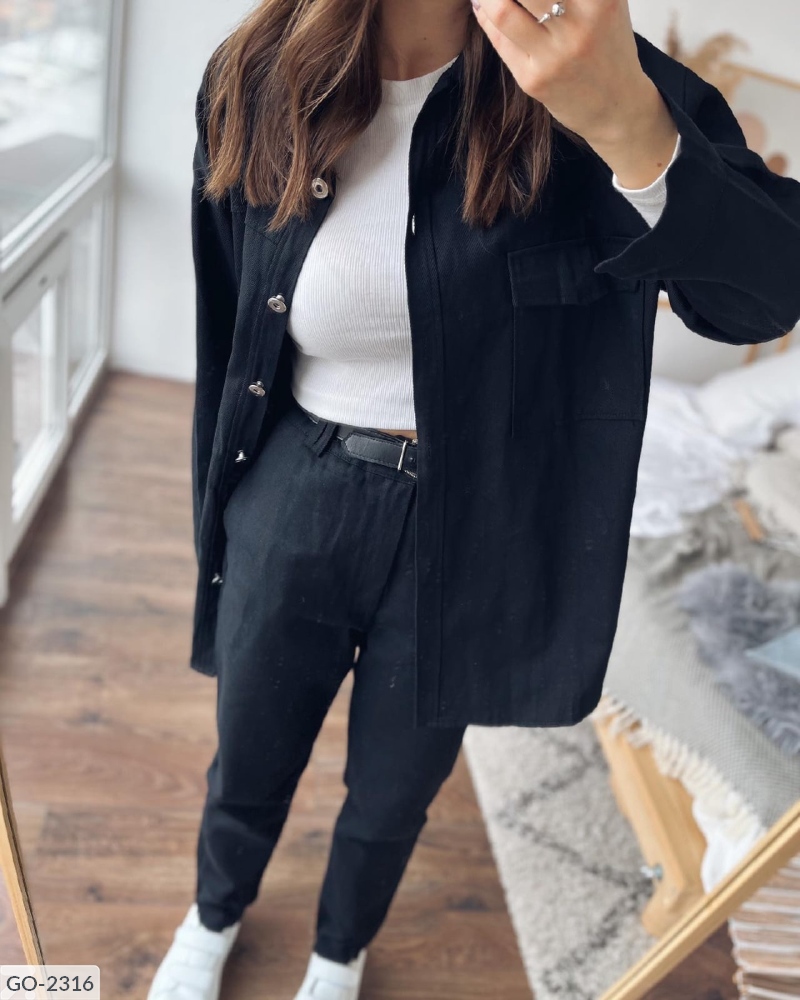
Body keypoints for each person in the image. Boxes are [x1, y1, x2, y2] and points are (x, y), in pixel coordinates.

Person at [147, 0, 800, 997]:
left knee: (394, 788)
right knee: (250, 751)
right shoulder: (259, 71)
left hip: (473, 523)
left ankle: (339, 953)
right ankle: (213, 914)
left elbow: (764, 295)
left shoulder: (597, 76)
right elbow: (233, 320)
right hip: (295, 488)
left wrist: (627, 124)